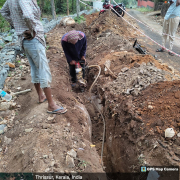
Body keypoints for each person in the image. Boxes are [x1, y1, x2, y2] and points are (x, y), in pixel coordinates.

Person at [0, 0, 67, 114]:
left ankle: (41, 96)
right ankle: (51, 105)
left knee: (35, 68)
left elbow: (4, 11)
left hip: (24, 40)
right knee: (43, 69)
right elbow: (28, 15)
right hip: (33, 39)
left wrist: (18, 26)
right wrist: (31, 29)